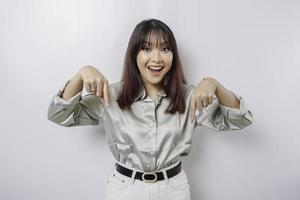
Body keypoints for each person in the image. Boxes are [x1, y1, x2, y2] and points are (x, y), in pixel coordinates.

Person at [47, 18, 253, 200]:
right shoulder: (110, 95)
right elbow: (59, 114)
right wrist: (81, 74)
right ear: (134, 55)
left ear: (173, 55)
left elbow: (239, 120)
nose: (156, 58)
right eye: (146, 49)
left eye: (164, 49)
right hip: (124, 190)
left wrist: (214, 85)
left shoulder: (190, 97)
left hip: (174, 190)